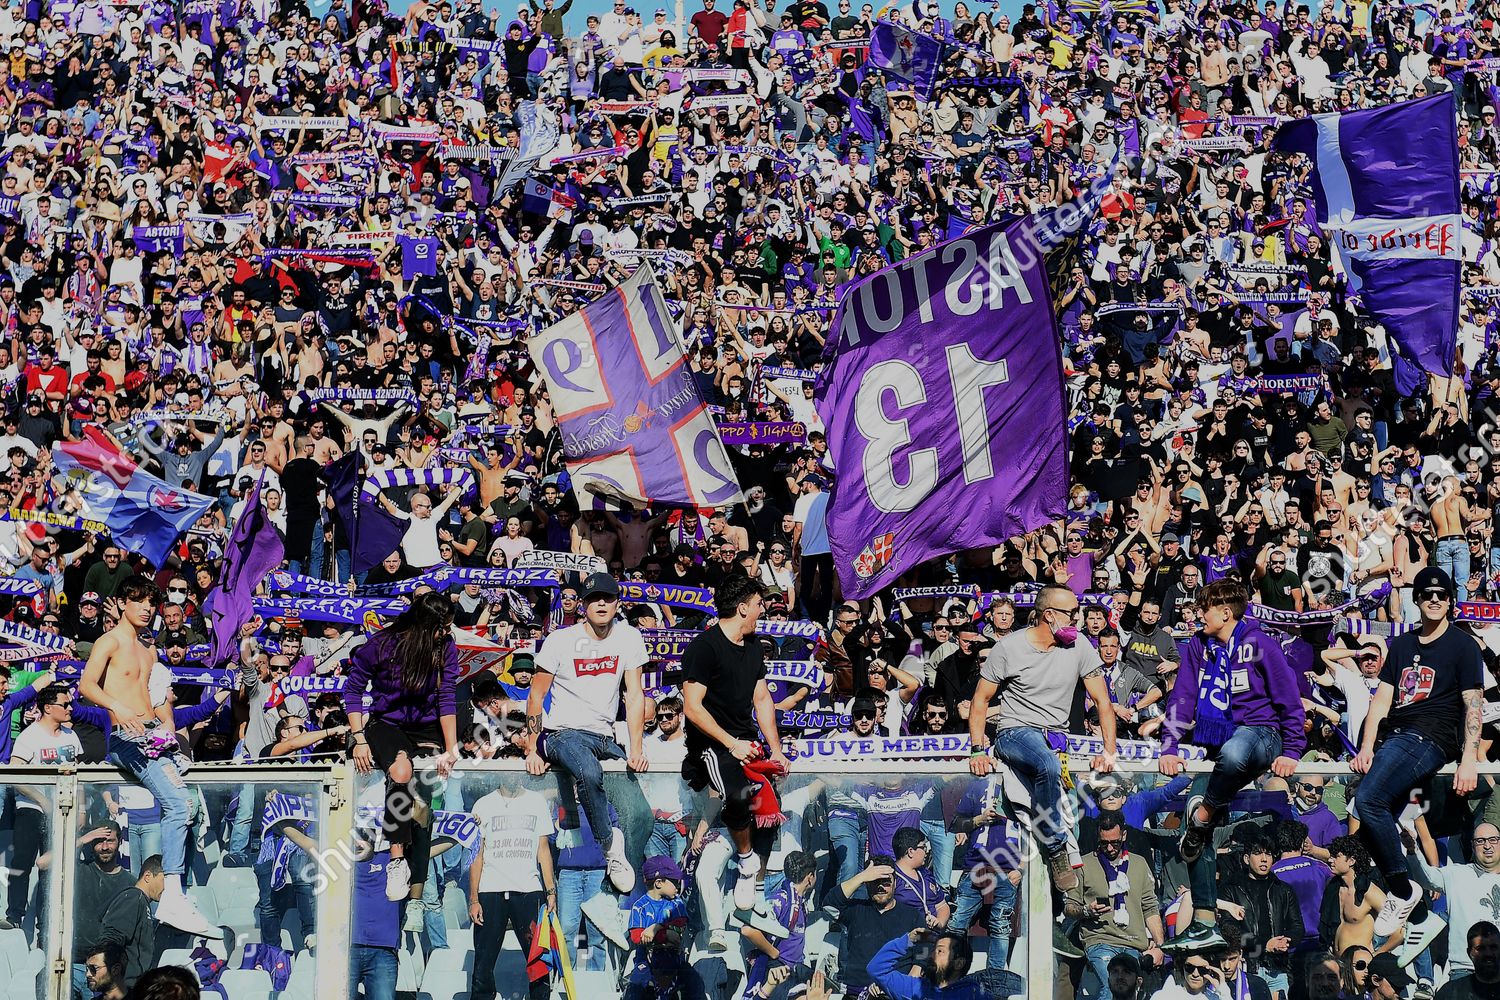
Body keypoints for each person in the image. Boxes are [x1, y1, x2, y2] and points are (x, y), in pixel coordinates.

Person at [1158, 579, 1306, 948]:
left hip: (1261, 734)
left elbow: (1289, 700)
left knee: (1235, 754)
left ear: (1226, 613)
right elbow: (1183, 695)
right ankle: (1205, 920)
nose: (1197, 615)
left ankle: (1208, 809)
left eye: (1204, 609)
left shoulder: (1260, 644)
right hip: (1216, 742)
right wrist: (1170, 744)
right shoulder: (1197, 645)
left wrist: (1292, 751)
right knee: (1193, 823)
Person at [78, 576, 217, 938]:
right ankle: (171, 890)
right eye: (139, 601)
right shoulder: (110, 641)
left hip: (150, 737)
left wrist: (164, 731)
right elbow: (86, 685)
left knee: (185, 805)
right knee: (177, 804)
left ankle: (174, 891)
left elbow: (151, 699)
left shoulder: (148, 650)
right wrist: (117, 708)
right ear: (123, 603)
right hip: (125, 738)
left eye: (151, 603)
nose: (147, 608)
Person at [1352, 566, 1485, 935]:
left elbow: (1473, 704)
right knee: (1367, 827)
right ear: (1417, 600)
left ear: (1450, 601)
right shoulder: (1403, 645)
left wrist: (1469, 759)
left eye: (1442, 595)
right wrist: (1365, 746)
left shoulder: (1463, 645)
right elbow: (1381, 701)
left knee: (1368, 802)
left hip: (1431, 738)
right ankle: (1419, 910)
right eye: (1427, 594)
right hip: (1396, 736)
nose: (1435, 600)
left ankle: (1402, 889)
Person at [969, 584, 1118, 891]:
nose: (1078, 620)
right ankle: (1055, 847)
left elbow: (1103, 702)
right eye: (1072, 614)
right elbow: (980, 700)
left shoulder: (1080, 648)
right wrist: (977, 750)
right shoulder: (1009, 648)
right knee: (1047, 765)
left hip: (1056, 738)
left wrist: (1109, 751)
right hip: (1014, 732)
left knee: (1051, 764)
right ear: (1049, 616)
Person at [524, 570, 647, 892]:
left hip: (605, 735)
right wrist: (533, 747)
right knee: (589, 774)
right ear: (582, 606)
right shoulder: (560, 640)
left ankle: (625, 885)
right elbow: (536, 695)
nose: (601, 604)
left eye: (607, 598)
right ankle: (610, 847)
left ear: (618, 603)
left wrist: (637, 749)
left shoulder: (629, 637)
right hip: (564, 733)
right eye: (594, 599)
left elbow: (634, 695)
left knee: (641, 812)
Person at [680, 574, 792, 911]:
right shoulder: (704, 647)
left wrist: (775, 750)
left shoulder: (755, 645)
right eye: (759, 604)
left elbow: (762, 699)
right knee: (738, 792)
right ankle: (746, 862)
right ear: (743, 608)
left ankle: (755, 883)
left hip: (746, 741)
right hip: (711, 747)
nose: (764, 610)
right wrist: (731, 744)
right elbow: (691, 707)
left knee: (768, 804)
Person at [345, 591, 460, 903]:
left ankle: (418, 895)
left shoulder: (445, 647)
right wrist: (359, 738)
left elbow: (447, 696)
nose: (446, 634)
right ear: (424, 626)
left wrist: (451, 747)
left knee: (423, 804)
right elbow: (353, 689)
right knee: (400, 769)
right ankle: (396, 862)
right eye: (441, 628)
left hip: (426, 725)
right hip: (387, 723)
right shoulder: (382, 644)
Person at [469, 777, 556, 1000]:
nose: (511, 775)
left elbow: (543, 850)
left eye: (516, 770)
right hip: (490, 890)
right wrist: (473, 898)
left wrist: (550, 891)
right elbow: (476, 855)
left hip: (528, 889)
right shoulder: (483, 804)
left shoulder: (537, 802)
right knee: (483, 964)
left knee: (538, 962)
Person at [1071, 810, 1166, 998]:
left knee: (1129, 990)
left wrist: (1160, 947)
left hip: (1133, 943)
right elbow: (1070, 908)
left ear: (1124, 835)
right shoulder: (1083, 864)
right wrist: (1086, 911)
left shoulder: (1139, 864)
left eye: (1115, 842)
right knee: (1112, 985)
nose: (1110, 848)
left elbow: (1150, 908)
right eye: (1103, 842)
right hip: (1100, 941)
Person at [1416, 824, 1500, 982]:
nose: (1487, 845)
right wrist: (1413, 851)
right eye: (1480, 841)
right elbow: (1426, 878)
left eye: (1493, 840)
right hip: (1464, 970)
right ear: (1472, 846)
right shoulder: (1457, 874)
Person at [93, 855, 166, 992]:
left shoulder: (141, 902)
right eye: (164, 879)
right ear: (148, 876)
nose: (167, 887)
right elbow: (110, 938)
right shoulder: (134, 898)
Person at [866, 929, 985, 999]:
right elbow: (876, 969)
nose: (931, 955)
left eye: (939, 951)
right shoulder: (914, 987)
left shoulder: (974, 994)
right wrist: (909, 940)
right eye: (933, 950)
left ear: (959, 963)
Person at [1435, 921, 1500, 1000]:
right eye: (1480, 949)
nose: (1488, 954)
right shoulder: (1450, 993)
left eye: (1493, 947)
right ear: (1469, 953)